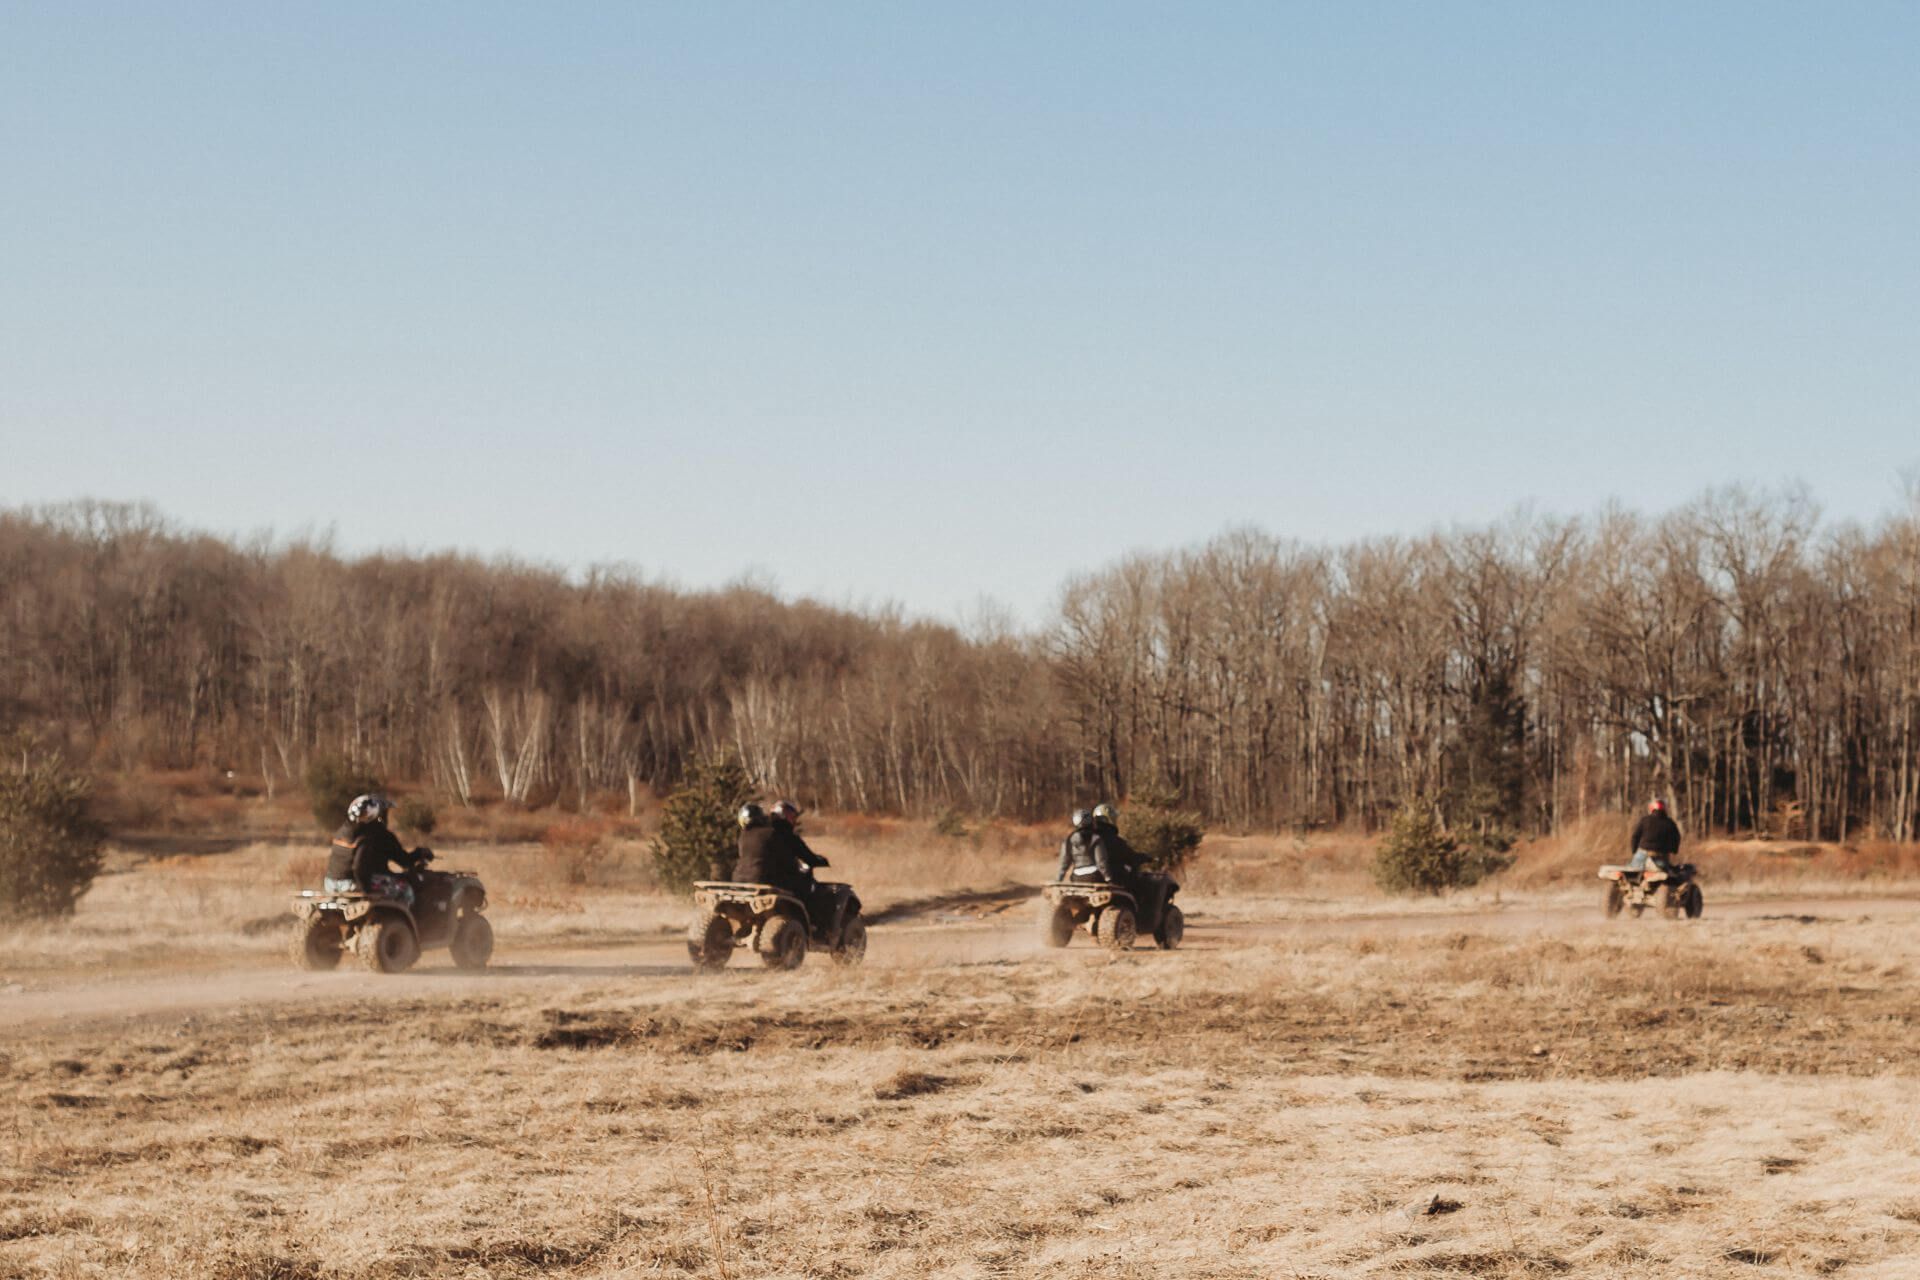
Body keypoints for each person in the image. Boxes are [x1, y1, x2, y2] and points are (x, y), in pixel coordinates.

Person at [324, 793, 428, 907]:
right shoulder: (373, 836)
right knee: (405, 890)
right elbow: (403, 860)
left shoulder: (342, 831)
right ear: (377, 815)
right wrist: (366, 891)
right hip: (353, 883)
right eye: (384, 813)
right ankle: (398, 921)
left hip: (330, 882)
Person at [1090, 802, 1163, 924]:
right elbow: (1130, 857)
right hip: (1111, 877)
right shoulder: (1113, 840)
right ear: (1110, 819)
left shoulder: (1088, 837)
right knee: (1139, 884)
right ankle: (1140, 917)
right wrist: (1146, 857)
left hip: (1087, 876)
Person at [770, 799, 837, 932]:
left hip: (767, 877)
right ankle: (814, 926)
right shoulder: (788, 835)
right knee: (812, 892)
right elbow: (807, 856)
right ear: (785, 816)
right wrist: (821, 861)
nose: (794, 820)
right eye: (792, 816)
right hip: (785, 879)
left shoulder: (766, 833)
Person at [1628, 797, 1682, 878]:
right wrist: (1674, 850)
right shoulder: (1669, 823)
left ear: (1651, 808)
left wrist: (1634, 851)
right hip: (1661, 856)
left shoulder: (1645, 820)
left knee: (1630, 872)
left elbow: (1635, 836)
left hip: (1642, 854)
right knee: (1670, 876)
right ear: (1664, 809)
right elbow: (1676, 838)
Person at [1055, 809, 1101, 881]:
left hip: (1077, 876)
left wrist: (1059, 879)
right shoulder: (1096, 838)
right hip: (1094, 876)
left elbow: (1064, 862)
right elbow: (1101, 860)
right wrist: (1109, 878)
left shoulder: (1069, 839)